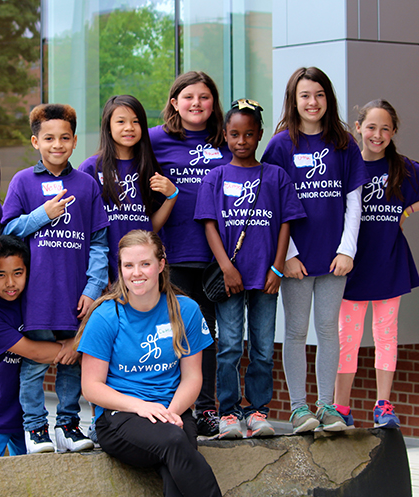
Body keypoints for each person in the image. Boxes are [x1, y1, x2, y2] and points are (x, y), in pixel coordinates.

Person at [76, 230, 236, 497]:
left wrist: (171, 413)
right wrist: (142, 406)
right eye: (128, 265)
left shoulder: (186, 310)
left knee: (176, 464)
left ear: (161, 264)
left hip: (172, 412)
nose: (136, 273)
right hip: (121, 417)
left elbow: (193, 377)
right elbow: (92, 387)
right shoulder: (106, 315)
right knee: (177, 443)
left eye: (145, 264)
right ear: (120, 268)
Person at [334, 99, 419, 428]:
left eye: (385, 129)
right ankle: (341, 407)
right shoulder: (347, 165)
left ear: (393, 132)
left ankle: (383, 406)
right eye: (371, 127)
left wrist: (409, 210)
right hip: (352, 266)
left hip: (390, 262)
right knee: (348, 338)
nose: (377, 134)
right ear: (358, 128)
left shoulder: (403, 168)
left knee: (386, 336)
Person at [262, 67, 369, 433]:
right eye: (305, 95)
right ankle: (298, 409)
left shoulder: (344, 143)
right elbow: (273, 205)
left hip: (335, 257)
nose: (313, 102)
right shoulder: (280, 146)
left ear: (328, 98)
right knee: (295, 331)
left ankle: (327, 406)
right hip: (296, 259)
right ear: (293, 100)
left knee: (327, 329)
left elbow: (353, 201)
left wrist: (347, 249)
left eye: (319, 94)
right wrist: (288, 254)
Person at [195, 99, 306, 439]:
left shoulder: (276, 176)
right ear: (225, 135)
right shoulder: (215, 177)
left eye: (248, 134)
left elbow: (286, 223)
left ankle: (258, 411)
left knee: (262, 348)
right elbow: (209, 224)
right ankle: (228, 413)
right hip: (230, 278)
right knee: (229, 346)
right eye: (234, 134)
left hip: (265, 276)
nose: (241, 141)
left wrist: (277, 269)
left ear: (259, 135)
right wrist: (226, 267)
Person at [1, 103, 108, 454]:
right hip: (37, 295)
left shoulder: (87, 185)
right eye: (49, 138)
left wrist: (93, 288)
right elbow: (6, 233)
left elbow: (99, 243)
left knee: (73, 361)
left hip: (76, 294)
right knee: (35, 364)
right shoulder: (22, 182)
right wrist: (41, 215)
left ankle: (68, 425)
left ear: (75, 141)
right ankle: (35, 428)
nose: (57, 145)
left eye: (64, 138)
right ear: (36, 142)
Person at [150, 71, 233, 437]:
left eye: (204, 97)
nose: (196, 103)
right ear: (174, 102)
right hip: (175, 253)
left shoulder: (227, 139)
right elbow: (112, 160)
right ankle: (175, 407)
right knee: (176, 333)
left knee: (208, 335)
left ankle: (208, 408)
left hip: (219, 257)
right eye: (188, 97)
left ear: (213, 102)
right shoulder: (156, 139)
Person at [0, 235, 79, 455]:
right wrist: (77, 347)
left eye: (17, 273)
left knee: (32, 474)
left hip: (27, 415)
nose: (10, 283)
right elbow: (34, 352)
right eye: (1, 275)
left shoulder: (36, 300)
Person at [78, 94, 178, 281]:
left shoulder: (149, 168)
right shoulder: (91, 168)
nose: (129, 127)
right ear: (108, 126)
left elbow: (150, 226)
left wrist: (172, 196)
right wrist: (98, 274)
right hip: (104, 271)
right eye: (121, 121)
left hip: (142, 271)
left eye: (136, 121)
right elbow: (83, 226)